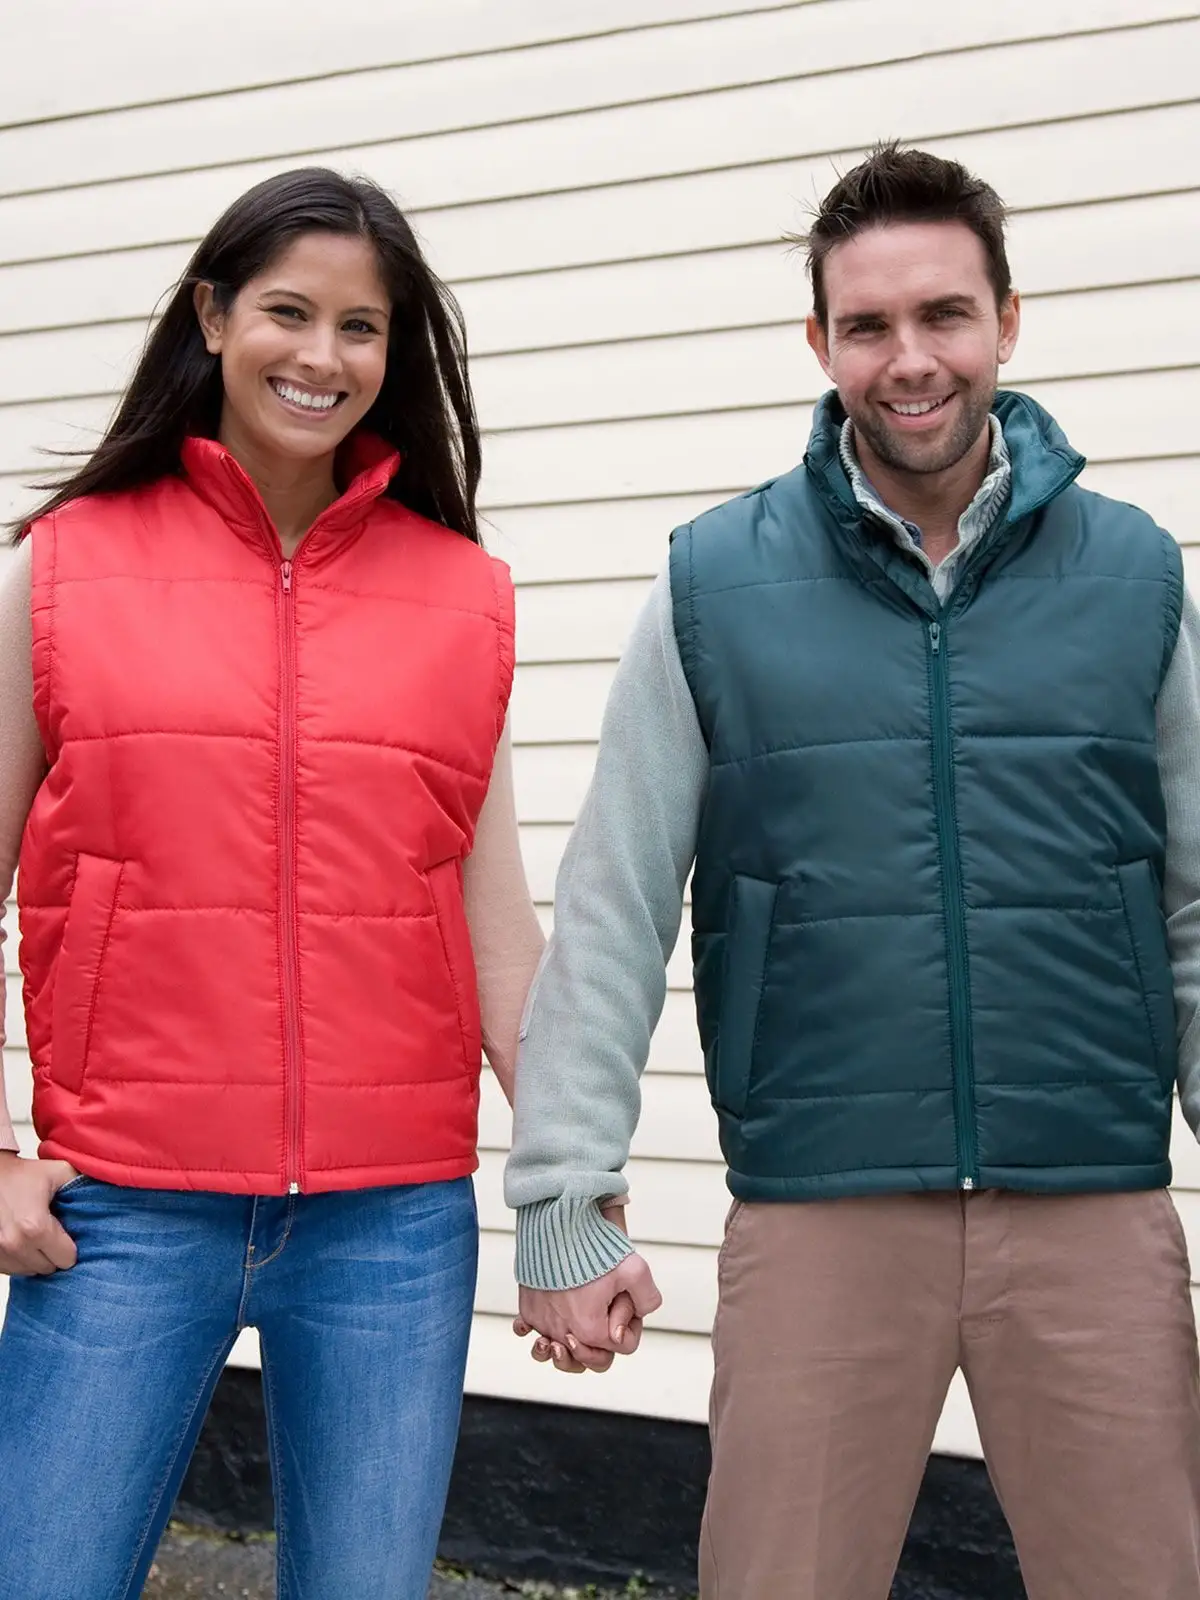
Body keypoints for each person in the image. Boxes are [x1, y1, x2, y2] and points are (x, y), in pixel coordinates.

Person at [505, 142, 1200, 1598]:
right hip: (820, 1207)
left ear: (1008, 321)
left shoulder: (1135, 576)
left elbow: (1195, 904)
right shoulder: (713, 584)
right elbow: (617, 901)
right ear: (820, 344)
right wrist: (566, 1197)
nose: (911, 360)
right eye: (869, 325)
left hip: (1087, 1203)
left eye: (945, 314)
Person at [0, 166, 545, 1600]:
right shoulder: (63, 569)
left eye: (361, 327)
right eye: (288, 312)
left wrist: (573, 1188)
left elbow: (493, 925)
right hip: (123, 1205)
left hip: (391, 1221)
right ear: (212, 315)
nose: (322, 356)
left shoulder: (461, 596)